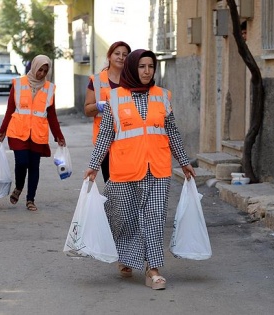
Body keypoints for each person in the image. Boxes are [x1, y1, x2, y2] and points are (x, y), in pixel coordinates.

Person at [84, 49, 196, 290]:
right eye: (142, 66)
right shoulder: (114, 98)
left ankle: (152, 270)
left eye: (151, 67)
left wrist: (184, 162)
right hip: (124, 170)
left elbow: (172, 133)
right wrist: (94, 166)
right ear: (132, 69)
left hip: (157, 169)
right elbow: (105, 135)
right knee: (124, 218)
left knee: (154, 218)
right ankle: (126, 256)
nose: (147, 71)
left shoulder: (163, 96)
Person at [0, 55, 66, 212]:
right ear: (33, 67)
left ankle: (30, 199)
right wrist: (2, 131)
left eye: (45, 71)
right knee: (21, 162)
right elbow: (10, 109)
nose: (41, 73)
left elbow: (52, 115)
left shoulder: (49, 88)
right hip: (18, 131)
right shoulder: (18, 84)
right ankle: (19, 187)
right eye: (39, 69)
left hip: (38, 133)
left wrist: (58, 136)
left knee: (34, 165)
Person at [83, 41, 131, 183]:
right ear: (109, 56)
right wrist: (98, 106)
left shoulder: (132, 81)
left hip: (128, 139)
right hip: (105, 140)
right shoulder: (96, 80)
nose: (121, 57)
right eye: (117, 54)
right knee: (111, 182)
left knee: (128, 181)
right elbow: (87, 110)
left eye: (125, 55)